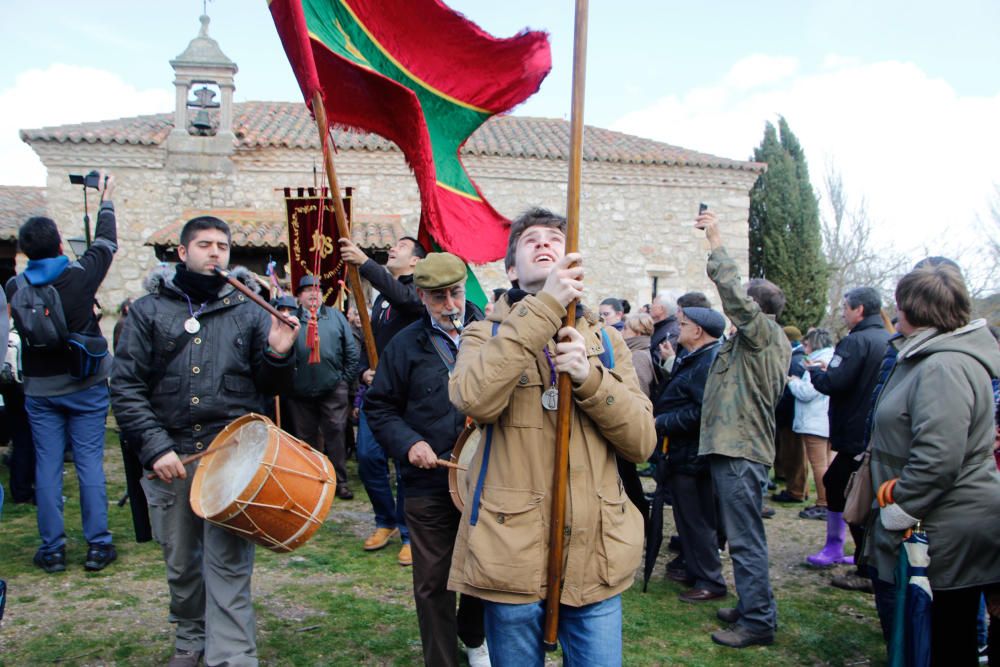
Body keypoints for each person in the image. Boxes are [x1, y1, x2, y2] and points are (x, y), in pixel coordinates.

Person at [447, 207, 656, 665]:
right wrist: (544, 309)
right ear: (511, 269)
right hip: (511, 555)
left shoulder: (606, 342)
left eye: (555, 239)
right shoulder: (484, 334)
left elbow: (641, 443)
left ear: (573, 264)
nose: (544, 244)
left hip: (595, 553)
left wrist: (589, 376)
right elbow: (472, 398)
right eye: (531, 240)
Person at [111, 215, 299, 667]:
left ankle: (232, 654)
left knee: (229, 563)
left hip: (231, 457)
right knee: (182, 565)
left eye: (222, 246)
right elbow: (125, 387)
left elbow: (269, 384)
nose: (215, 253)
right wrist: (156, 448)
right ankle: (191, 637)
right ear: (183, 253)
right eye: (204, 245)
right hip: (169, 457)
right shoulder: (147, 312)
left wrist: (277, 351)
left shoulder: (251, 308)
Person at [864, 263, 1000, 664]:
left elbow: (939, 457)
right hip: (935, 522)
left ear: (915, 310)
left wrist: (901, 508)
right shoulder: (928, 357)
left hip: (947, 529)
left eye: (900, 303)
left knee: (942, 641)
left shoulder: (945, 366)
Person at [364, 252, 488, 667]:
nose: (450, 305)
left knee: (482, 570)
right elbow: (379, 407)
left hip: (486, 479)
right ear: (420, 296)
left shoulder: (493, 336)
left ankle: (474, 636)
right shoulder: (404, 344)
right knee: (433, 581)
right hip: (427, 481)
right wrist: (408, 442)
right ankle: (441, 660)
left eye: (455, 293)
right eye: (438, 298)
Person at [6, 172, 118, 573]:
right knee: (88, 463)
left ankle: (52, 548)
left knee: (48, 466)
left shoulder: (14, 287)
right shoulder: (79, 276)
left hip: (40, 389)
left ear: (24, 252)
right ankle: (98, 545)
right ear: (58, 243)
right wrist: (106, 202)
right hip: (85, 384)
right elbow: (106, 244)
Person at [694, 209, 790, 648]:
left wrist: (716, 241)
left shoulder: (764, 334)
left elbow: (733, 292)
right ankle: (755, 604)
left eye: (744, 305)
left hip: (742, 452)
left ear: (757, 309)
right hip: (734, 449)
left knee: (747, 540)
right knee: (742, 536)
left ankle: (758, 621)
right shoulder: (753, 341)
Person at [339, 235, 426, 564]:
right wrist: (363, 371)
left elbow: (406, 299)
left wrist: (365, 263)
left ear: (415, 261)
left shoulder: (416, 290)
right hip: (377, 393)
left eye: (402, 246)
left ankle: (408, 531)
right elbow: (371, 340)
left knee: (405, 465)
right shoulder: (380, 299)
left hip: (406, 395)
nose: (393, 248)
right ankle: (385, 519)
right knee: (368, 459)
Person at [807, 287, 890, 588]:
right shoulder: (888, 340)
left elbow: (835, 382)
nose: (842, 312)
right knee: (854, 492)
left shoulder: (856, 342)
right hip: (875, 434)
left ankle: (862, 564)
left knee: (842, 488)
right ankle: (856, 556)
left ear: (859, 310)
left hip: (855, 434)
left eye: (845, 307)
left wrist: (816, 373)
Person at [653, 306, 726, 603]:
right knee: (687, 517)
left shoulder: (708, 362)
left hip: (693, 455)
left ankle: (711, 580)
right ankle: (695, 570)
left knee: (697, 520)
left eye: (683, 324)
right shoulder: (696, 357)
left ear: (698, 331)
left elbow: (702, 411)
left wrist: (660, 422)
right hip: (682, 453)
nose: (677, 328)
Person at [286, 275, 359, 500]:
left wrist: (343, 381)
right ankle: (313, 482)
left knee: (335, 434)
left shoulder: (336, 317)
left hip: (333, 388)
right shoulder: (291, 319)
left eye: (317, 289)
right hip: (299, 391)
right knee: (305, 438)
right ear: (299, 296)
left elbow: (352, 352)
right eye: (307, 290)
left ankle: (340, 481)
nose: (313, 294)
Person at [786, 328, 835, 520]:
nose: (804, 347)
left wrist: (792, 382)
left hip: (815, 420)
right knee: (827, 463)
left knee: (819, 465)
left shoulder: (816, 362)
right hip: (825, 418)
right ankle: (828, 500)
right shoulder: (833, 357)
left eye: (806, 344)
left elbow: (808, 392)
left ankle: (824, 502)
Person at [771, 326, 808, 503]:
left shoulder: (795, 360)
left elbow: (790, 391)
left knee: (795, 455)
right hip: (791, 415)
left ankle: (796, 491)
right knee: (791, 454)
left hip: (791, 416)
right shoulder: (797, 358)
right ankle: (794, 486)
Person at [621, 313, 655, 397]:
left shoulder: (638, 356)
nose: (621, 332)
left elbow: (641, 393)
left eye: (625, 329)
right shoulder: (638, 350)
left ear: (638, 332)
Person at [650, 289, 682, 368]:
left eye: (653, 303)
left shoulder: (671, 332)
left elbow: (658, 361)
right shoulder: (661, 327)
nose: (650, 306)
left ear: (661, 309)